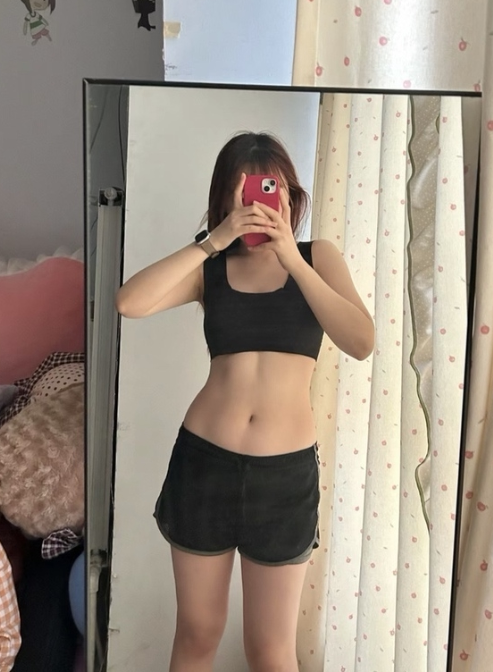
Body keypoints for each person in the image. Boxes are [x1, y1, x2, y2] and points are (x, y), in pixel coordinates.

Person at [115, 131, 375, 672]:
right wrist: (215, 239)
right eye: (247, 193)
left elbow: (360, 341)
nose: (260, 205)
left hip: (285, 479)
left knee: (271, 649)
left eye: (270, 190)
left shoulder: (318, 257)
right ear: (226, 197)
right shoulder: (210, 267)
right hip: (203, 464)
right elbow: (129, 302)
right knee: (198, 633)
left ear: (290, 197)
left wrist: (292, 260)